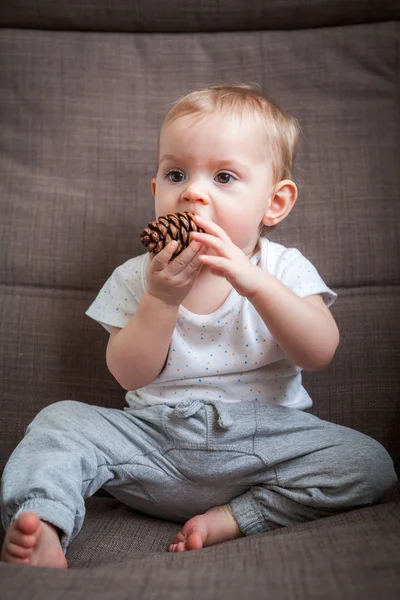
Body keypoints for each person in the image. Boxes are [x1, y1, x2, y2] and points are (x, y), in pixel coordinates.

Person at [1, 84, 397, 568]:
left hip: (263, 451)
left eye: (225, 176)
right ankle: (45, 521)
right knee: (59, 422)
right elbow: (130, 375)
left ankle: (235, 517)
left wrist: (254, 283)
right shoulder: (136, 276)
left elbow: (319, 352)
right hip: (151, 449)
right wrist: (161, 299)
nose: (192, 191)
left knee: (369, 463)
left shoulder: (284, 269)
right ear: (156, 192)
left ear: (274, 203)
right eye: (176, 174)